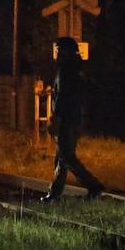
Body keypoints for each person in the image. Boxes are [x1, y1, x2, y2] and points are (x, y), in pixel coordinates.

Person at [43, 36, 105, 201]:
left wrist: (56, 118)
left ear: (65, 51)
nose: (56, 53)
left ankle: (93, 185)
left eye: (58, 50)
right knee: (61, 158)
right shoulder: (75, 68)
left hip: (67, 120)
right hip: (73, 118)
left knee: (66, 157)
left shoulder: (66, 70)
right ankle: (54, 193)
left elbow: (63, 97)